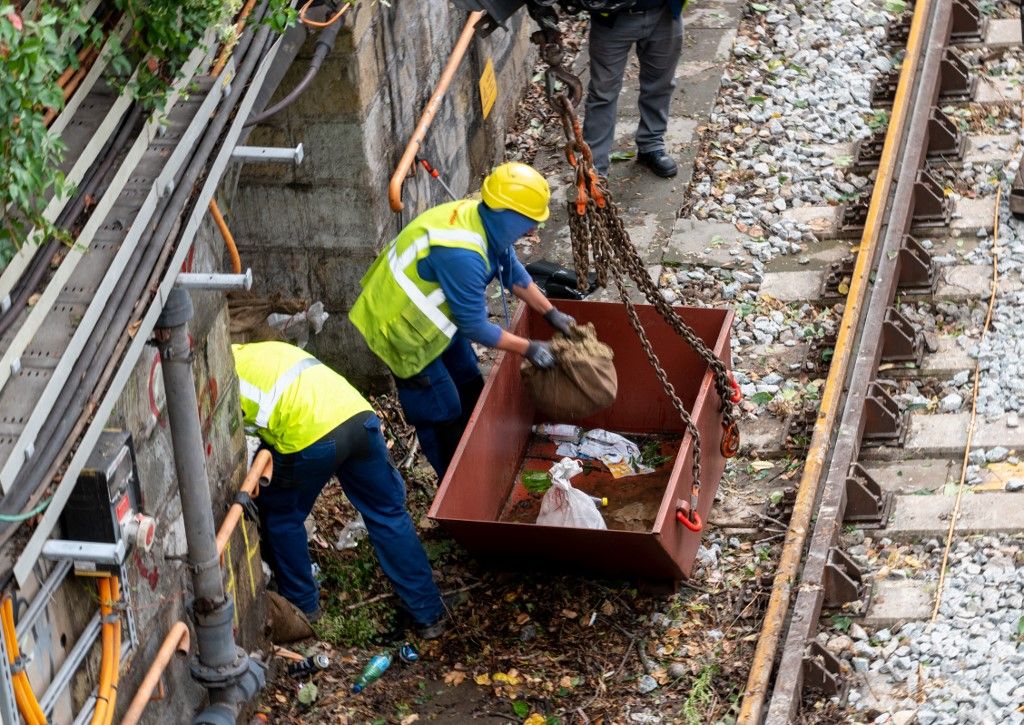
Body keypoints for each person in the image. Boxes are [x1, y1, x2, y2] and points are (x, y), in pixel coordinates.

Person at [349, 162, 575, 479]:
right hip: (400, 328)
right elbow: (476, 327)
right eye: (529, 222)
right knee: (442, 409)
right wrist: (528, 348)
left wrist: (550, 311)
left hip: (435, 319)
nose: (533, 231)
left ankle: (478, 452)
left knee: (469, 382)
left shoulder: (484, 222)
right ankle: (455, 479)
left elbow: (510, 271)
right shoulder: (463, 255)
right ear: (506, 214)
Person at [232, 340, 448, 637]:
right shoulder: (261, 351)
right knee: (388, 513)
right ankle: (429, 613)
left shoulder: (225, 379)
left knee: (283, 517)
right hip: (359, 418)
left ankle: (304, 609)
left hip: (312, 436)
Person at [582, 0, 686, 178]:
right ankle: (595, 169)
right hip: (612, 18)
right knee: (603, 94)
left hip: (664, 11)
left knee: (661, 83)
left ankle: (651, 143)